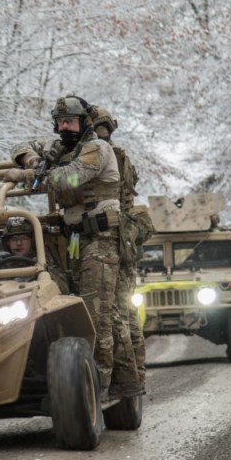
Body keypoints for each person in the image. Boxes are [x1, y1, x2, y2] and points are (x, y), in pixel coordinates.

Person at [3, 94, 128, 400]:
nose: (63, 128)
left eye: (69, 121)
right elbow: (21, 146)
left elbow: (67, 178)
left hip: (100, 241)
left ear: (84, 122)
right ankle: (81, 380)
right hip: (74, 241)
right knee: (74, 309)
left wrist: (29, 175)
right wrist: (30, 158)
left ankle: (99, 387)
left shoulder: (97, 149)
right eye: (59, 123)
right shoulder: (62, 148)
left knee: (97, 314)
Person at [91, 105, 150, 398]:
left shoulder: (105, 156)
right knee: (124, 312)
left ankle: (127, 382)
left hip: (113, 239)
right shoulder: (118, 156)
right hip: (123, 240)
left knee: (116, 313)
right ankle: (134, 380)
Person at [0, 217, 70, 294]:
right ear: (7, 243)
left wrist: (45, 273)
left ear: (33, 241)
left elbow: (64, 290)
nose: (19, 243)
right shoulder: (1, 268)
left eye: (23, 238)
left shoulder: (44, 264)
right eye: (14, 239)